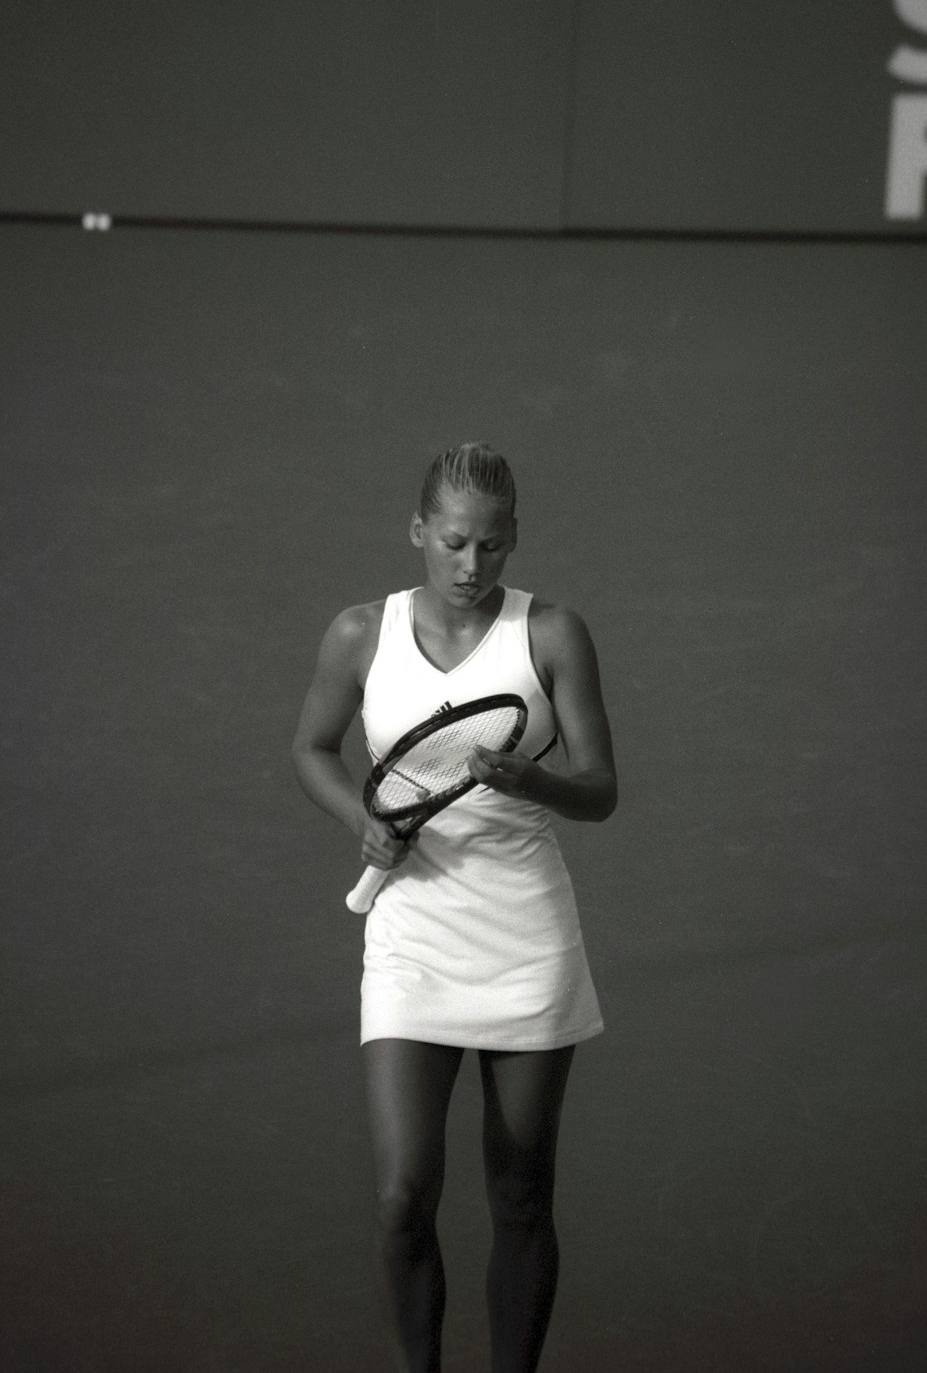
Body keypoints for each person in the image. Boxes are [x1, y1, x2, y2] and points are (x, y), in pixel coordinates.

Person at [292, 442, 616, 1373]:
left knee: (520, 1198)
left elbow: (599, 790)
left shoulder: (553, 634)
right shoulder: (360, 633)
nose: (474, 567)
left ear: (514, 543)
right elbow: (312, 748)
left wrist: (533, 782)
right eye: (456, 543)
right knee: (403, 1194)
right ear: (419, 533)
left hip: (527, 939)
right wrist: (363, 818)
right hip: (411, 937)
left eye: (495, 547)